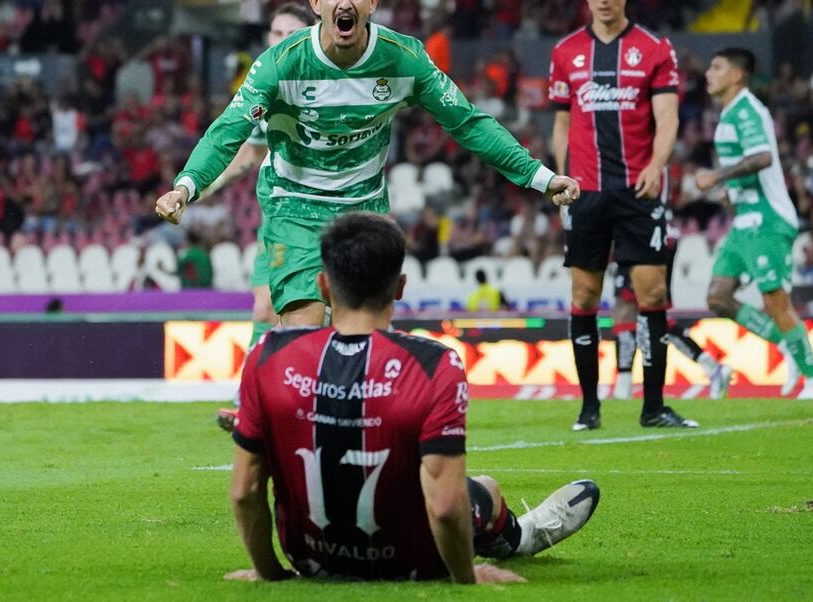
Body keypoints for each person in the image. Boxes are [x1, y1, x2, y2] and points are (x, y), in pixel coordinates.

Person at [155, 0, 579, 332]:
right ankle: (276, 406)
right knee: (302, 330)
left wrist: (539, 178)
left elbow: (467, 123)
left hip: (364, 209)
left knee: (361, 335)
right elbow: (230, 129)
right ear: (316, 3)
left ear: (373, 2)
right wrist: (186, 185)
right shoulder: (281, 64)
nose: (345, 2)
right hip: (295, 206)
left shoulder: (403, 58)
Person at [227, 212, 600, 583]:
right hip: (417, 562)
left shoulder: (267, 354)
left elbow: (245, 491)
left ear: (322, 286)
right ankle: (520, 536)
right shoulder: (434, 364)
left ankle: (516, 532)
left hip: (311, 560)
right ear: (400, 287)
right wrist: (467, 576)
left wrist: (269, 574)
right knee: (482, 489)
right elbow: (443, 506)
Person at [548, 0, 691, 431]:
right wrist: (561, 176)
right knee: (585, 295)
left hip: (638, 188)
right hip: (585, 192)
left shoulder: (654, 48)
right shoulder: (566, 51)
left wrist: (656, 164)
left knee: (652, 291)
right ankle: (589, 407)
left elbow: (668, 117)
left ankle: (653, 406)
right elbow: (563, 121)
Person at [697, 47, 813, 400]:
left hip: (767, 219)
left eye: (716, 67)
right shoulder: (729, 113)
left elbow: (762, 157)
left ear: (737, 75)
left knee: (775, 301)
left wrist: (718, 176)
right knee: (718, 297)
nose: (708, 73)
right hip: (744, 220)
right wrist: (730, 191)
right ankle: (786, 344)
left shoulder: (746, 109)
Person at [198, 2, 317, 351]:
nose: (281, 40)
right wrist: (205, 184)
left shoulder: (328, 86)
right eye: (276, 33)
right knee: (264, 307)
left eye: (291, 34)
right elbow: (252, 152)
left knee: (314, 314)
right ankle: (250, 400)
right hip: (279, 218)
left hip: (323, 215)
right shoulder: (264, 86)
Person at [612, 243, 734, 400]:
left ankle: (623, 387)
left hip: (640, 237)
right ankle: (713, 368)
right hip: (651, 236)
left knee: (627, 310)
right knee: (651, 313)